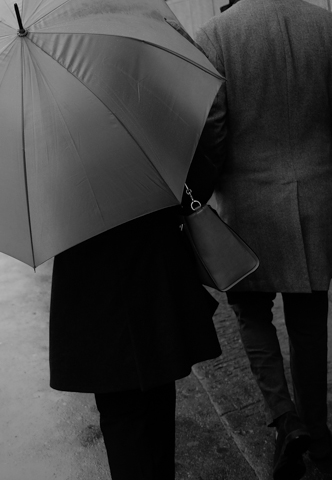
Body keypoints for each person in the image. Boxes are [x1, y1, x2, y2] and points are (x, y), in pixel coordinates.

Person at [194, 0, 332, 480]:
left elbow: (213, 129)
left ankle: (285, 420)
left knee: (252, 314)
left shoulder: (213, 36)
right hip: (313, 203)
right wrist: (323, 165)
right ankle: (318, 437)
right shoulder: (330, 26)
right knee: (309, 320)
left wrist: (211, 188)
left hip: (245, 207)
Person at [48, 120, 222, 477]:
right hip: (152, 275)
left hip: (92, 292)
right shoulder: (139, 108)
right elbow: (199, 182)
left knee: (121, 414)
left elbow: (45, 219)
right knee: (158, 402)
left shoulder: (42, 136)